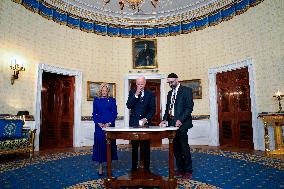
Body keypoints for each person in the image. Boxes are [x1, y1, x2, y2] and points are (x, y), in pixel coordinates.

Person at [159, 73, 194, 179]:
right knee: (175, 148)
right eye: (169, 82)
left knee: (184, 147)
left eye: (172, 82)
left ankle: (188, 170)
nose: (170, 84)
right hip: (171, 124)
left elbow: (189, 107)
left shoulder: (186, 90)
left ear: (177, 80)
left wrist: (180, 120)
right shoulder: (170, 93)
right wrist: (164, 120)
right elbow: (167, 109)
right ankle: (180, 169)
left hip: (182, 124)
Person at [126, 76, 156, 171]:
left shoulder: (150, 93)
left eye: (142, 84)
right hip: (134, 124)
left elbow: (152, 110)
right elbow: (129, 105)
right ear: (136, 84)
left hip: (146, 124)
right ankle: (134, 167)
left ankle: (146, 167)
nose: (140, 86)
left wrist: (146, 119)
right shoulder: (132, 92)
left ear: (145, 83)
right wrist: (136, 94)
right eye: (138, 84)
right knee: (134, 146)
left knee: (146, 146)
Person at [92, 83, 118, 176]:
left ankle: (109, 165)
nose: (104, 92)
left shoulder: (112, 100)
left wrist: (109, 123)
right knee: (100, 145)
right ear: (100, 91)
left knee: (109, 145)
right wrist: (98, 123)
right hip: (99, 127)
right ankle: (100, 166)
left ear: (108, 91)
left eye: (105, 90)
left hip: (110, 127)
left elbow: (114, 113)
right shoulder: (96, 100)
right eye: (102, 90)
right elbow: (94, 113)